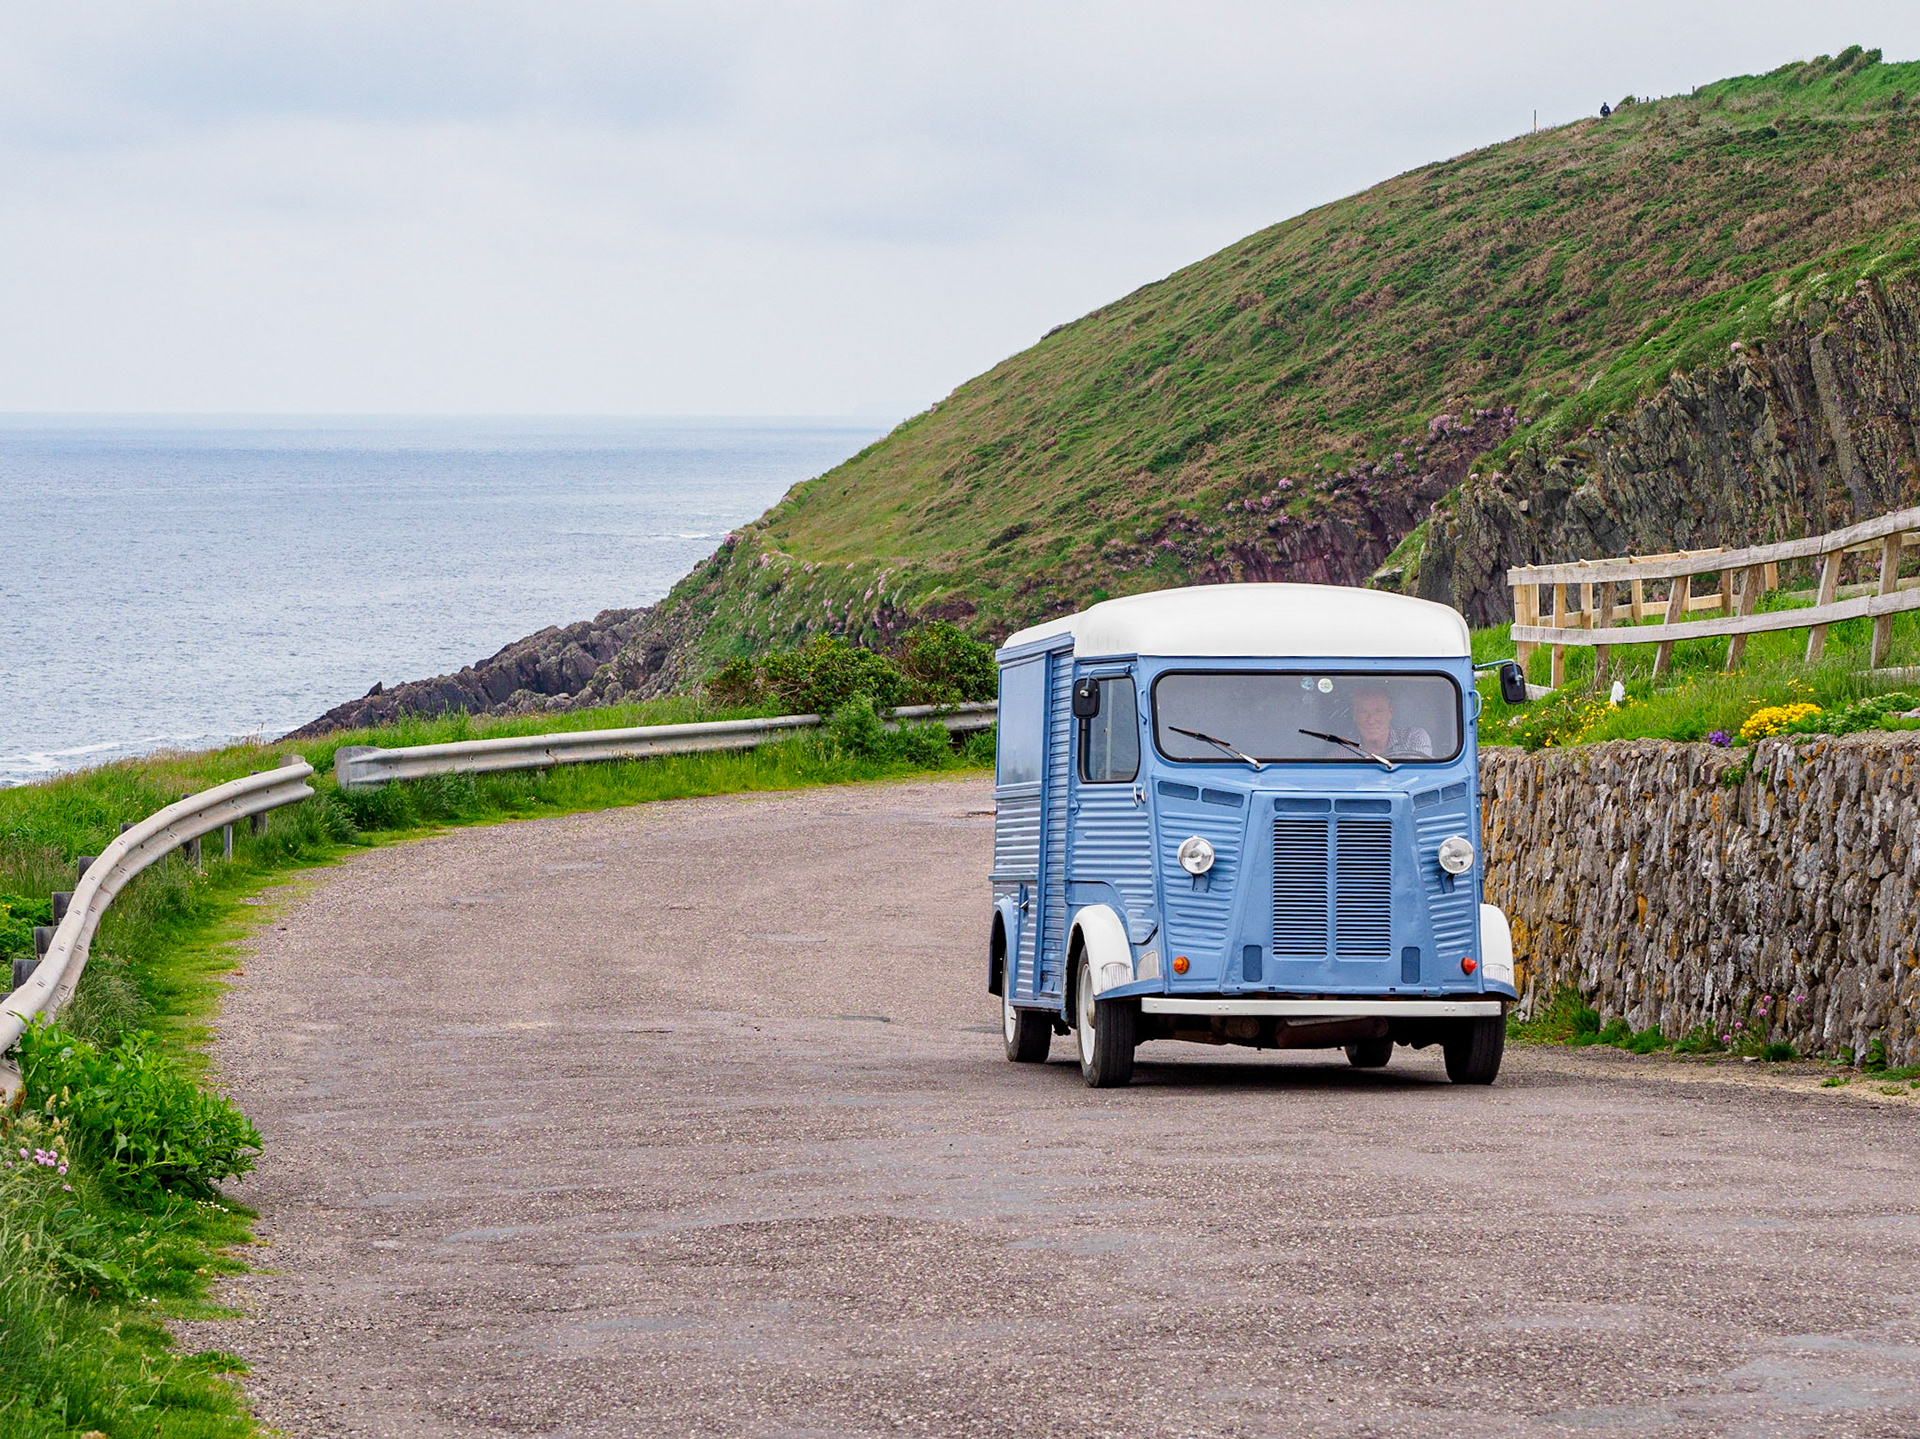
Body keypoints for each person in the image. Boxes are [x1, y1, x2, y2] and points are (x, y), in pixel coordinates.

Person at [1350, 683, 1434, 760]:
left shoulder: (1413, 738)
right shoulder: (1344, 750)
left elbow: (1417, 772)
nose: (1371, 720)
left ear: (1390, 713)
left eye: (1378, 711)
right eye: (1363, 712)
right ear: (1354, 716)